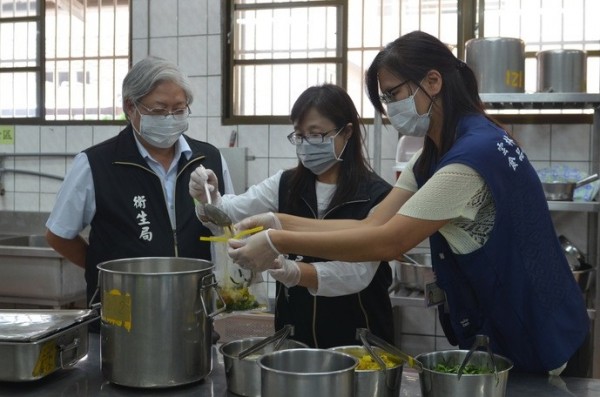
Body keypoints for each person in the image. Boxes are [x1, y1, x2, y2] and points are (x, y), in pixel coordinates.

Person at [227, 31, 590, 375]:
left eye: (393, 93)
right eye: (384, 99)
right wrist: (278, 222)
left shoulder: (468, 160)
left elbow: (389, 242)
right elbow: (372, 224)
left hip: (540, 332)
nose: (390, 108)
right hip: (523, 319)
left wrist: (278, 242)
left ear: (433, 81)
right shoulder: (438, 153)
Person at [189, 84, 395, 348]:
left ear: (347, 132)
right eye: (299, 135)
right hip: (295, 340)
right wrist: (208, 195)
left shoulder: (377, 196)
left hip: (359, 342)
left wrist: (292, 271)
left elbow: (357, 274)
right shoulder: (286, 184)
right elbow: (230, 212)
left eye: (316, 135)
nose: (306, 144)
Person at [45, 56, 234, 336]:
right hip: (123, 318)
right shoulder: (97, 164)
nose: (170, 118)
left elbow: (229, 225)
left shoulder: (208, 160)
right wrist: (109, 272)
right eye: (159, 110)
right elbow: (58, 234)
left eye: (179, 110)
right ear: (129, 107)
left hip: (192, 312)